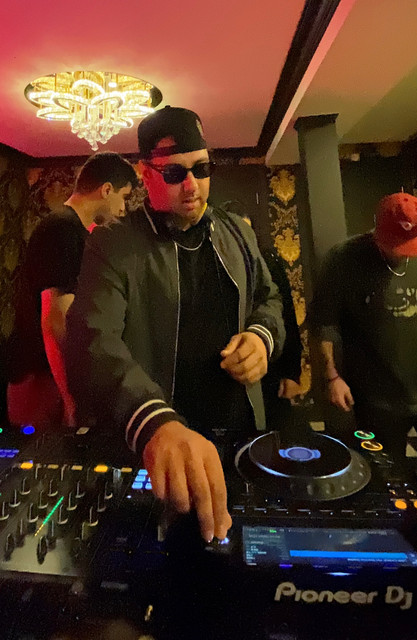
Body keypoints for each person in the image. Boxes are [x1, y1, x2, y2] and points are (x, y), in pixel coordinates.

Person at [65, 106, 285, 542]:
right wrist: (154, 422)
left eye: (202, 169)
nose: (192, 185)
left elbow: (269, 298)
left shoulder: (237, 232)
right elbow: (91, 341)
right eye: (174, 173)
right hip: (156, 447)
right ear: (144, 174)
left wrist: (262, 337)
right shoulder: (113, 243)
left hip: (240, 437)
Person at [310, 192, 417, 460]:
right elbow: (324, 322)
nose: (402, 251)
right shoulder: (344, 258)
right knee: (387, 474)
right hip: (375, 399)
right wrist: (332, 378)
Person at [7, 152, 137, 430]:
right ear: (106, 190)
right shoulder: (62, 228)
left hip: (46, 375)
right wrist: (70, 395)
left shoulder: (75, 230)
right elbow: (55, 319)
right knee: (43, 454)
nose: (123, 209)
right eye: (124, 198)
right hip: (41, 378)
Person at [220, 201, 302, 431]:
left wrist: (292, 373)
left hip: (270, 361)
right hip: (229, 364)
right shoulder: (215, 262)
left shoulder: (267, 259)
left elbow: (286, 315)